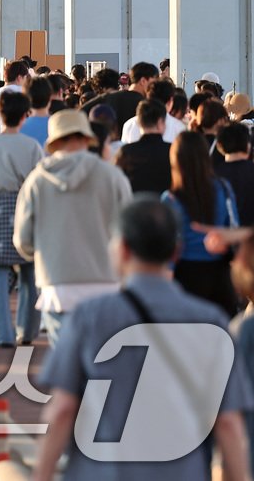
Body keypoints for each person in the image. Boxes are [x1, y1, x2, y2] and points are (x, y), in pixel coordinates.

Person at [32, 198, 252, 481]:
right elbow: (228, 423)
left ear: (122, 249)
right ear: (176, 252)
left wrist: (41, 475)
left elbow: (62, 409)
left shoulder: (91, 316)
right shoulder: (211, 322)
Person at [13, 110, 133, 348]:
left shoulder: (37, 180)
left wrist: (41, 254)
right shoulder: (112, 176)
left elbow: (23, 239)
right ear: (87, 138)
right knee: (101, 363)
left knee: (68, 365)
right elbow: (129, 229)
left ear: (55, 141)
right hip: (106, 281)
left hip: (58, 284)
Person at [0, 91, 44, 347]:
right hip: (25, 211)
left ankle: (1, 333)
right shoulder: (32, 146)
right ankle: (27, 331)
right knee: (29, 276)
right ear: (25, 116)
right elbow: (39, 182)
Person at [163, 130, 241, 318]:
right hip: (220, 275)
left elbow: (168, 246)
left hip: (185, 277)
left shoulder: (170, 199)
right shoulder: (223, 187)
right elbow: (233, 228)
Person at [115, 99, 173, 195]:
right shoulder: (172, 151)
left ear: (139, 122)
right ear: (160, 123)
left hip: (133, 206)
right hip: (164, 207)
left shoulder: (126, 152)